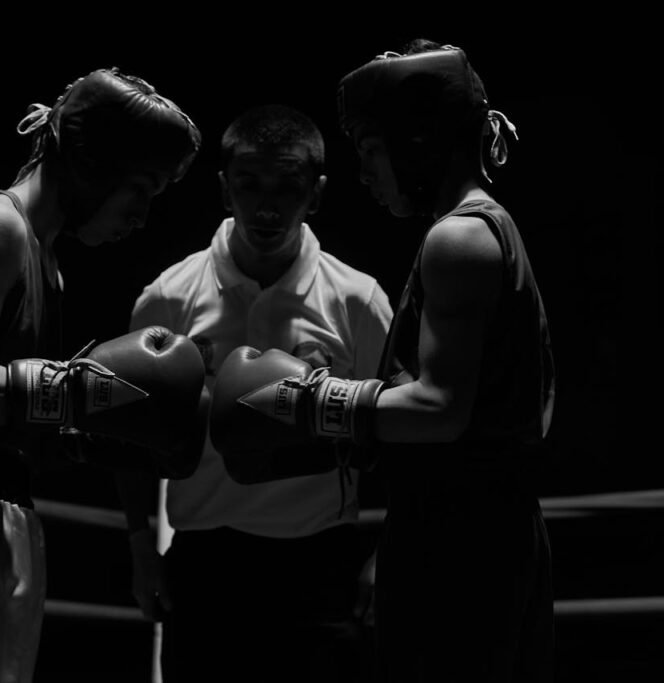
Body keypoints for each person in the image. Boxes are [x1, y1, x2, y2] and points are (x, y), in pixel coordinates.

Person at [209, 41, 556, 682]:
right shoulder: (476, 229)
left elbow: (438, 409)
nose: (363, 172)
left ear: (417, 143)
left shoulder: (460, 238)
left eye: (371, 150)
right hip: (472, 525)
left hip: (462, 539)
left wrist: (306, 400)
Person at [0, 67, 204, 683]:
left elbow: (21, 409)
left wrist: (97, 428)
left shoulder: (46, 263)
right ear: (88, 162)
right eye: (141, 189)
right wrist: (82, 394)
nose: (143, 214)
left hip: (1, 511)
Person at [114, 104, 393, 682]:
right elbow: (132, 435)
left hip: (319, 562)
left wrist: (384, 556)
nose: (266, 206)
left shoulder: (359, 302)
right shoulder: (169, 296)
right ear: (224, 188)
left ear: (314, 195)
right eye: (248, 184)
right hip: (204, 560)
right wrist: (142, 547)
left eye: (287, 187)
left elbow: (403, 439)